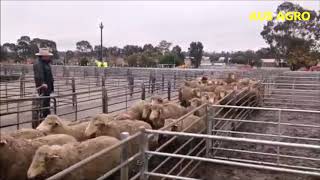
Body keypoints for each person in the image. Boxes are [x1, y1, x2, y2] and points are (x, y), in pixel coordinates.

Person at [33, 48, 54, 119]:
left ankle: (46, 115)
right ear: (43, 56)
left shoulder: (45, 63)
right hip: (44, 87)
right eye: (48, 56)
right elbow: (39, 75)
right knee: (44, 101)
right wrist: (42, 83)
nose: (49, 57)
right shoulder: (39, 63)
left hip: (47, 86)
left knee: (46, 101)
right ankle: (44, 117)